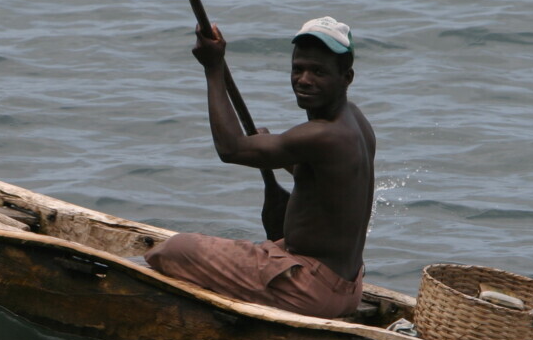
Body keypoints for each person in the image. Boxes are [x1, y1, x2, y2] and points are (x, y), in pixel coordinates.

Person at [144, 16, 376, 319]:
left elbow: (231, 148)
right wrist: (275, 151)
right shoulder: (355, 121)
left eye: (318, 72)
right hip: (347, 288)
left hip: (310, 291)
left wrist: (213, 67)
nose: (304, 80)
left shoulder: (322, 135)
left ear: (346, 77)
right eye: (297, 69)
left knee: (177, 249)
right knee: (261, 246)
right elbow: (328, 175)